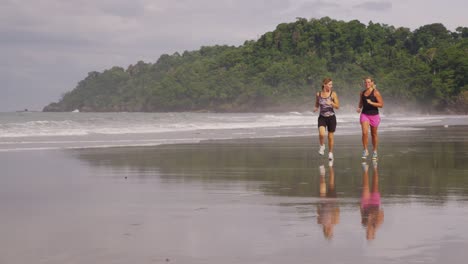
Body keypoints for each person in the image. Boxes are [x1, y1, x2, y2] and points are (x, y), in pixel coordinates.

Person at [357, 77, 384, 160]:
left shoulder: (376, 93)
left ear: (372, 83)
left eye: (369, 82)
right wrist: (359, 108)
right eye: (365, 82)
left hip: (374, 115)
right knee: (365, 133)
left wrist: (371, 102)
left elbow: (381, 105)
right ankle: (365, 150)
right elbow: (361, 103)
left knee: (374, 134)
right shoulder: (362, 93)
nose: (367, 84)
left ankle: (375, 151)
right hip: (364, 114)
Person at [314, 78, 340, 160]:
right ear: (324, 84)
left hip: (331, 117)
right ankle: (322, 145)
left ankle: (330, 153)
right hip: (322, 117)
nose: (331, 86)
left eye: (331, 84)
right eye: (329, 84)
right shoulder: (318, 94)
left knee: (330, 137)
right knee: (321, 134)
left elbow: (337, 106)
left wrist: (332, 103)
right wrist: (316, 108)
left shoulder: (333, 94)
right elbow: (317, 103)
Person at [360, 160, 384, 240]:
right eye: (369, 234)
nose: (367, 232)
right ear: (373, 233)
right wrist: (374, 215)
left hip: (366, 204)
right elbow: (382, 212)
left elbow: (362, 214)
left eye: (367, 234)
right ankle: (375, 168)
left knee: (365, 185)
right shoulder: (377, 224)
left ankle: (366, 170)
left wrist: (360, 207)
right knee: (375, 183)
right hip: (375, 203)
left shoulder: (364, 224)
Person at [317, 162, 339, 240]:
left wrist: (318, 205)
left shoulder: (320, 222)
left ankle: (324, 170)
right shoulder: (335, 222)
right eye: (330, 232)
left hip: (323, 201)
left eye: (328, 232)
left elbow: (318, 211)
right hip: (332, 201)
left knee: (325, 183)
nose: (330, 230)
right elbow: (337, 211)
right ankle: (330, 167)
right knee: (331, 184)